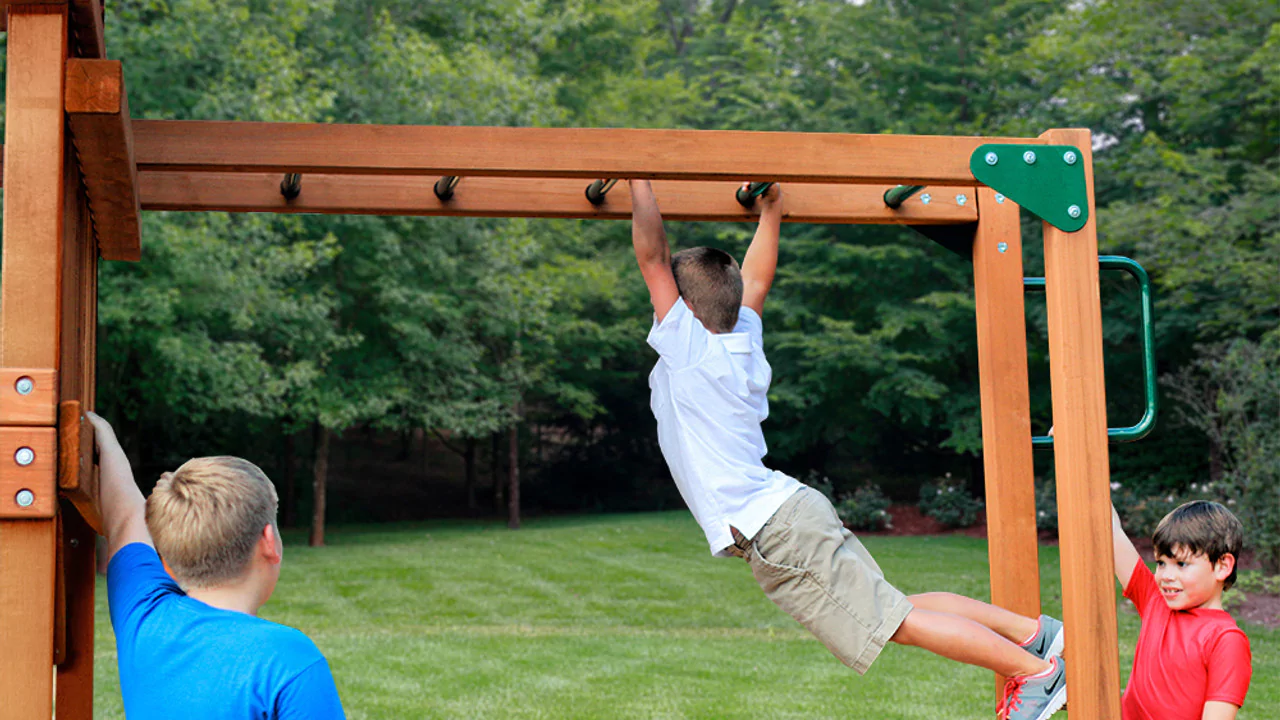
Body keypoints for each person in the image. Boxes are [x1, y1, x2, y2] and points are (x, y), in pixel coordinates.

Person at [628, 180, 1066, 720]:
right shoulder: (738, 336)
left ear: (686, 309)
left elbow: (653, 256)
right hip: (791, 512)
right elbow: (757, 278)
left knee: (896, 622)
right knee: (896, 608)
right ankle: (1036, 635)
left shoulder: (690, 352)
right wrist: (772, 213)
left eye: (667, 300)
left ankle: (1039, 675)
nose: (658, 308)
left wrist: (636, 174)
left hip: (777, 531)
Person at [88, 412, 345, 719]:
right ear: (269, 542)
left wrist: (106, 439)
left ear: (166, 558)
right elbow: (128, 515)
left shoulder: (143, 616)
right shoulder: (289, 660)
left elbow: (125, 515)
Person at [1113, 499, 1252, 719]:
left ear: (1222, 566)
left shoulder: (1226, 640)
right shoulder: (1154, 601)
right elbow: (1111, 533)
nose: (1166, 575)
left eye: (1181, 564)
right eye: (1161, 563)